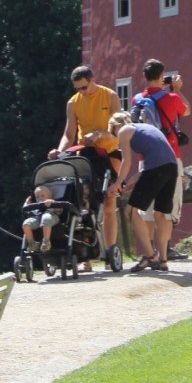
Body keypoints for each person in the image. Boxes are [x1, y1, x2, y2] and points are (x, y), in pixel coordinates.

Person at [50, 65, 119, 260]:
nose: (82, 91)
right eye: (78, 88)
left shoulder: (110, 96)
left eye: (84, 87)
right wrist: (59, 150)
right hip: (87, 152)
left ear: (92, 80)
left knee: (109, 199)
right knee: (83, 200)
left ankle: (111, 249)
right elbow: (69, 134)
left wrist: (99, 135)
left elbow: (119, 127)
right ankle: (85, 252)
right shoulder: (73, 103)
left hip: (109, 150)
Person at [131, 59, 190, 259]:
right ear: (161, 74)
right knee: (167, 207)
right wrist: (177, 89)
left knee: (146, 208)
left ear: (144, 76)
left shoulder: (137, 99)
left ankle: (149, 251)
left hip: (146, 158)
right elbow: (187, 110)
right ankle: (166, 250)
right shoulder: (172, 98)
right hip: (170, 157)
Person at [112, 112, 179, 271]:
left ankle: (150, 257)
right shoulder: (145, 127)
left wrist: (117, 184)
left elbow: (126, 162)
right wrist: (137, 177)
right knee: (160, 214)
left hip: (155, 169)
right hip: (171, 167)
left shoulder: (123, 131)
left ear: (115, 127)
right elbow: (159, 154)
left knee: (131, 211)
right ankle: (163, 260)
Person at [22, 184, 60, 252]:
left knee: (45, 218)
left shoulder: (52, 202)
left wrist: (52, 203)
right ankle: (32, 243)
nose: (40, 198)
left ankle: (46, 242)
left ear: (50, 196)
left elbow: (60, 209)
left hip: (51, 216)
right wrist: (26, 203)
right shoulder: (36, 206)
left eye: (42, 196)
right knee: (26, 224)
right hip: (38, 218)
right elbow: (26, 210)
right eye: (37, 197)